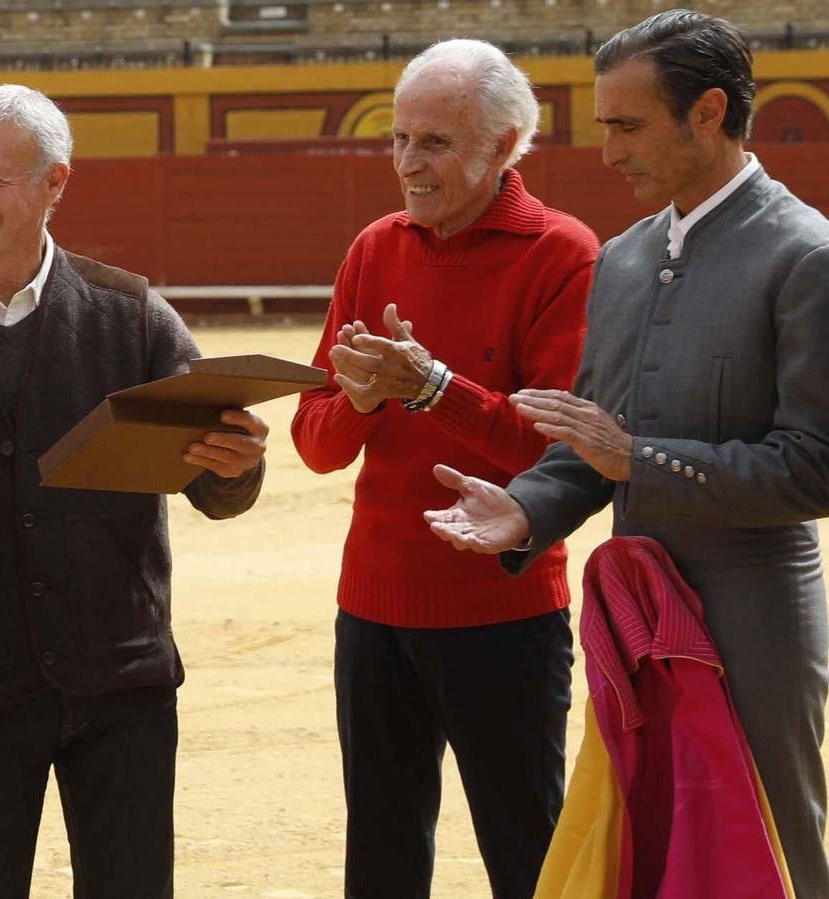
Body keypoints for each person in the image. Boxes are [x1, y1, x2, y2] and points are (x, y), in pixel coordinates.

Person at [426, 11, 829, 896]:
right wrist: (525, 505)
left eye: (627, 125)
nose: (607, 152)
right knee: (646, 840)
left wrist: (636, 458)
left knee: (769, 842)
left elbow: (813, 466)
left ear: (709, 112)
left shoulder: (804, 256)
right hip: (637, 619)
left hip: (753, 612)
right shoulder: (624, 258)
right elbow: (590, 444)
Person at [0, 84, 268, 899]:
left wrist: (239, 466)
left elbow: (218, 490)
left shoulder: (134, 316)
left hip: (124, 685)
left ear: (55, 182)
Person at [291, 40, 599, 899]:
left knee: (526, 851)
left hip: (504, 610)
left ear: (503, 148)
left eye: (435, 143)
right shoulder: (373, 248)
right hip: (374, 606)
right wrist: (365, 396)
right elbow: (316, 444)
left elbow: (558, 454)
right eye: (400, 138)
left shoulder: (564, 254)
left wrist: (432, 387)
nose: (408, 164)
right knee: (381, 857)